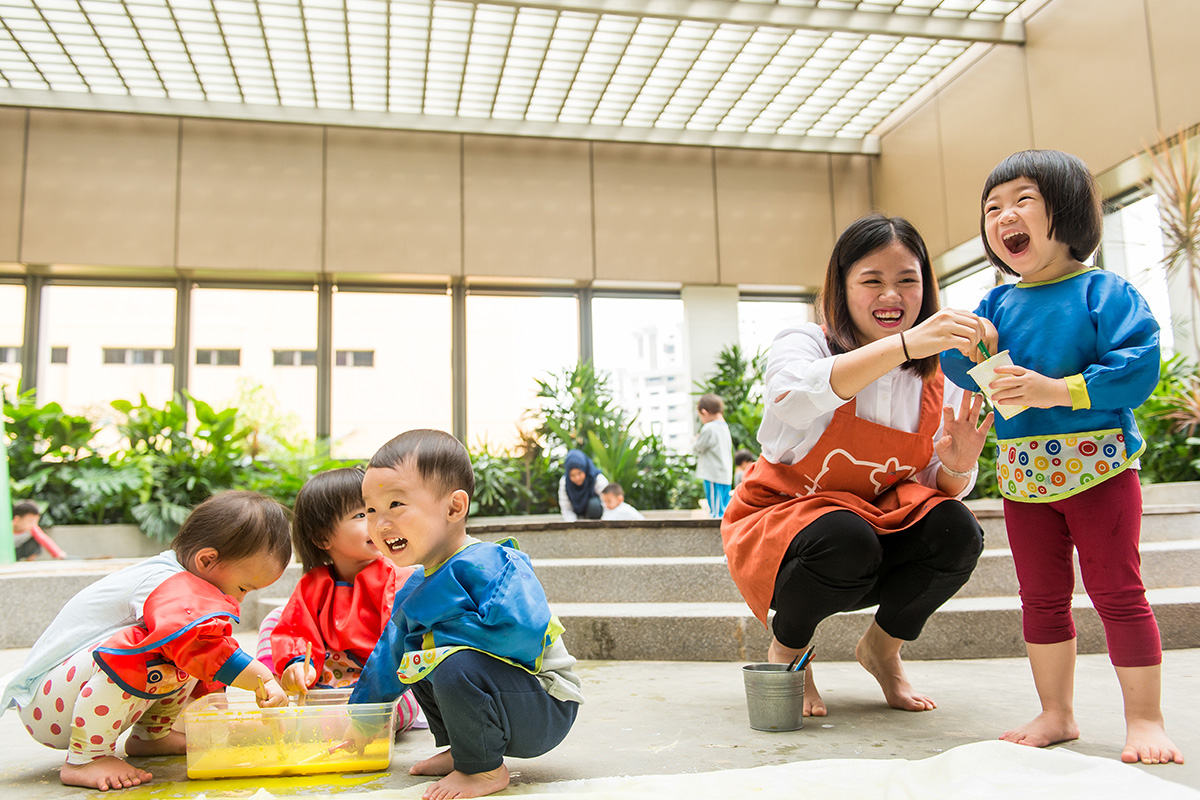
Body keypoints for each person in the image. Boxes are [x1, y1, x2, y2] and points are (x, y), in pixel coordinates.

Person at [940, 149, 1183, 765]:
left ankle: (1146, 720)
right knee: (1041, 598)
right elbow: (961, 372)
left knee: (1118, 590)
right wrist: (973, 344)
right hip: (1025, 477)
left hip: (1101, 469)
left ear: (1067, 210)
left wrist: (1057, 390)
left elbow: (1137, 368)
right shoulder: (996, 305)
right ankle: (1056, 712)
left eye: (1022, 200)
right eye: (992, 208)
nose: (1003, 216)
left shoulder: (1105, 290)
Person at [722, 213, 992, 718]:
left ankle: (882, 649)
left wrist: (957, 468)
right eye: (872, 281)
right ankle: (789, 650)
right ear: (841, 288)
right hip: (790, 536)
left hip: (879, 530)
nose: (891, 296)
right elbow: (790, 400)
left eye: (907, 280)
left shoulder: (942, 376)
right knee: (846, 537)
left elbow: (936, 485)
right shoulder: (805, 343)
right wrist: (903, 346)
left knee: (958, 530)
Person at [1, 491, 292, 791]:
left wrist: (218, 716)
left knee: (181, 648)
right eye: (243, 588)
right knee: (167, 643)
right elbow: (201, 646)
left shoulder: (184, 584)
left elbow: (207, 657)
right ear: (206, 560)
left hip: (73, 697)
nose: (240, 600)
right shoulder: (166, 582)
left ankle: (152, 736)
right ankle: (86, 758)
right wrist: (263, 678)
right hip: (48, 706)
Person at [350, 429, 582, 800]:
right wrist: (360, 723)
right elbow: (389, 658)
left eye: (396, 504)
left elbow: (521, 634)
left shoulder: (492, 564)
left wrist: (438, 639)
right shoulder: (416, 586)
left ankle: (482, 769)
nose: (380, 524)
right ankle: (465, 749)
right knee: (414, 658)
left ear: (454, 508)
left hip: (545, 704)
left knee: (444, 660)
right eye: (371, 511)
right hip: (504, 699)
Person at [257, 467, 421, 730]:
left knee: (399, 705)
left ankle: (347, 723)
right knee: (273, 621)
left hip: (382, 687)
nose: (377, 522)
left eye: (375, 511)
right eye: (361, 515)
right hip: (326, 686)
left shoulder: (396, 578)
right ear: (323, 538)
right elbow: (295, 631)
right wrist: (298, 666)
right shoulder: (313, 584)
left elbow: (398, 642)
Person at [695, 394, 734, 518]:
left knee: (716, 512)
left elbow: (698, 448)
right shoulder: (725, 427)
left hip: (713, 474)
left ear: (704, 412)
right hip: (725, 474)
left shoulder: (709, 428)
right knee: (724, 509)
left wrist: (695, 440)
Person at [558, 449, 608, 521]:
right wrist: (573, 524)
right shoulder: (565, 482)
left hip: (596, 516)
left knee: (594, 504)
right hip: (576, 516)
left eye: (579, 473)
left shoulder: (597, 478)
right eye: (572, 475)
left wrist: (604, 521)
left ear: (585, 469)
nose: (577, 478)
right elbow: (566, 509)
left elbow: (607, 503)